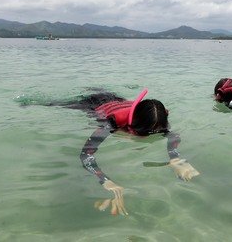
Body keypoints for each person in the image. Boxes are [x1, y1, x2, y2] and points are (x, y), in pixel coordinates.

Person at [57, 88, 199, 216]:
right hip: (93, 104)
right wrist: (106, 181)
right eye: (143, 134)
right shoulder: (112, 124)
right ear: (132, 127)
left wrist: (175, 157)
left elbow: (172, 135)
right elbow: (86, 154)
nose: (148, 137)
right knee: (53, 104)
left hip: (116, 100)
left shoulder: (158, 120)